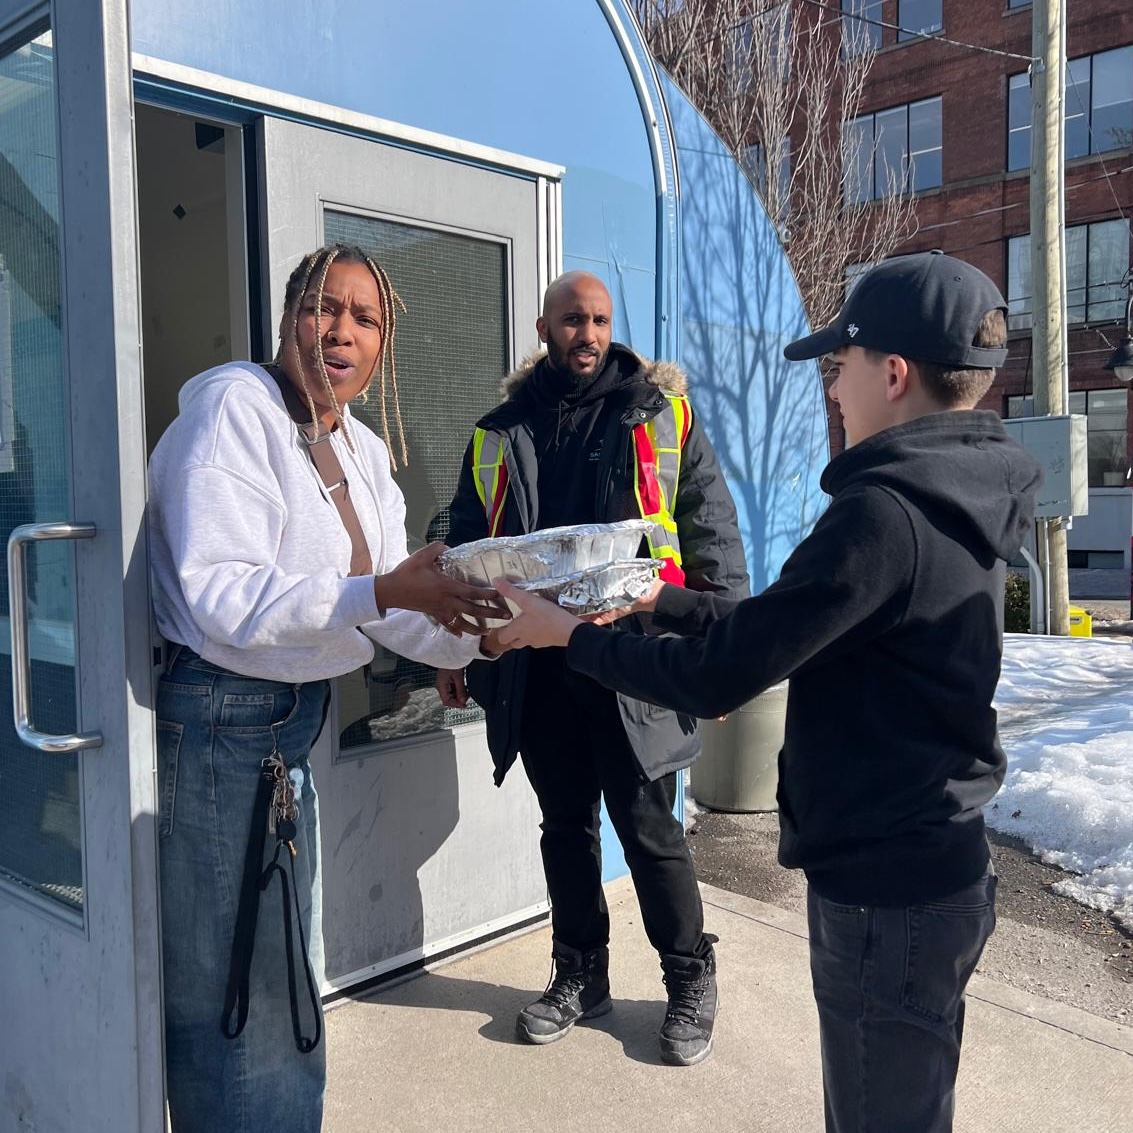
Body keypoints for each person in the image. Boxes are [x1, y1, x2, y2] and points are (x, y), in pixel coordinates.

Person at [493, 252, 1041, 1131]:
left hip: (883, 886)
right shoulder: (959, 491)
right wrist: (661, 598)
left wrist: (571, 638)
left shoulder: (881, 514)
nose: (832, 389)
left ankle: (685, 976)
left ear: (892, 374)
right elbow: (786, 625)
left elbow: (726, 672)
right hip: (935, 865)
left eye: (843, 365)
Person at [148, 243, 508, 1133]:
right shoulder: (235, 412)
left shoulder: (356, 443)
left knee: (280, 971)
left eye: (365, 318)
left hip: (285, 731)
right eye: (323, 307)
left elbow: (387, 605)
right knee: (236, 988)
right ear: (286, 317)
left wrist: (492, 628)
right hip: (221, 724)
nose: (341, 330)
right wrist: (388, 592)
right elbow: (223, 595)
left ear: (383, 344)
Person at [435, 270, 749, 1066]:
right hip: (538, 672)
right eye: (573, 319)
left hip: (634, 664)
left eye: (601, 319)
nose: (589, 333)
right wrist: (456, 650)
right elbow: (462, 547)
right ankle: (580, 973)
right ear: (543, 326)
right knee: (564, 828)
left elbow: (713, 539)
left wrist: (718, 659)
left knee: (649, 831)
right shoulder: (497, 429)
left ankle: (687, 978)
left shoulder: (660, 414)